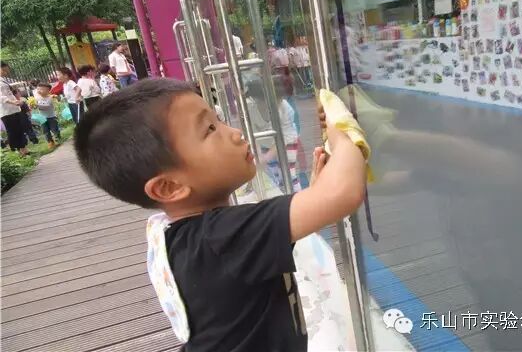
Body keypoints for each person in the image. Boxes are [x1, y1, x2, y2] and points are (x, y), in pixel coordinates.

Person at [73, 78, 366, 351]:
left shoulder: (185, 236)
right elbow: (342, 194)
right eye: (210, 129)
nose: (235, 133)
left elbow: (310, 212)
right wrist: (343, 133)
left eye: (219, 119)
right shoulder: (221, 238)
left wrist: (315, 196)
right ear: (169, 187)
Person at [0, 61, 29, 155]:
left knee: (19, 129)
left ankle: (24, 150)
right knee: (13, 131)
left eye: (7, 70)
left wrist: (17, 100)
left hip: (14, 109)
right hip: (6, 111)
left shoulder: (2, 79)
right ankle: (17, 151)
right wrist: (12, 102)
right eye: (4, 70)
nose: (6, 73)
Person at [35, 83, 61, 148]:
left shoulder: (50, 98)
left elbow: (47, 106)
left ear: (47, 91)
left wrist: (37, 105)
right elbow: (35, 107)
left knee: (54, 129)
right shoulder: (37, 98)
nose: (39, 91)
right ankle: (50, 142)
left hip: (51, 116)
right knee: (45, 131)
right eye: (38, 89)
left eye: (41, 89)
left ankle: (57, 138)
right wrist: (33, 106)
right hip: (42, 118)